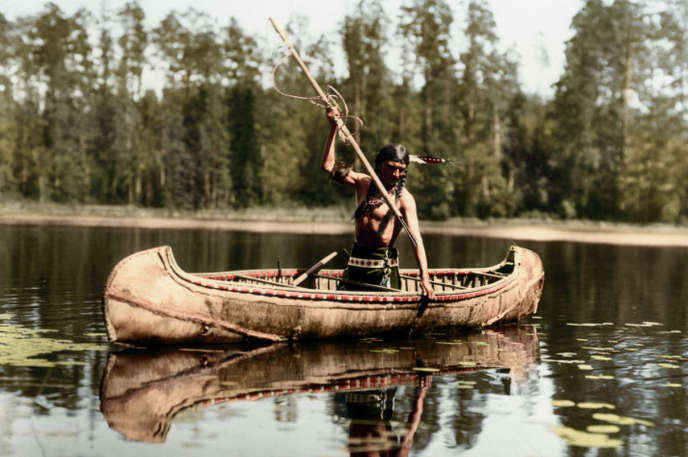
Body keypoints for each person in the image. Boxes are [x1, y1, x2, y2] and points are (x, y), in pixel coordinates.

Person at [321, 107, 434, 298]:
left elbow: (417, 240)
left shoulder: (404, 199)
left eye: (401, 170)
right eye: (391, 168)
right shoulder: (363, 183)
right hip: (355, 265)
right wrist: (333, 128)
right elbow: (328, 166)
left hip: (382, 271)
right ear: (380, 165)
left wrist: (425, 278)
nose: (396, 174)